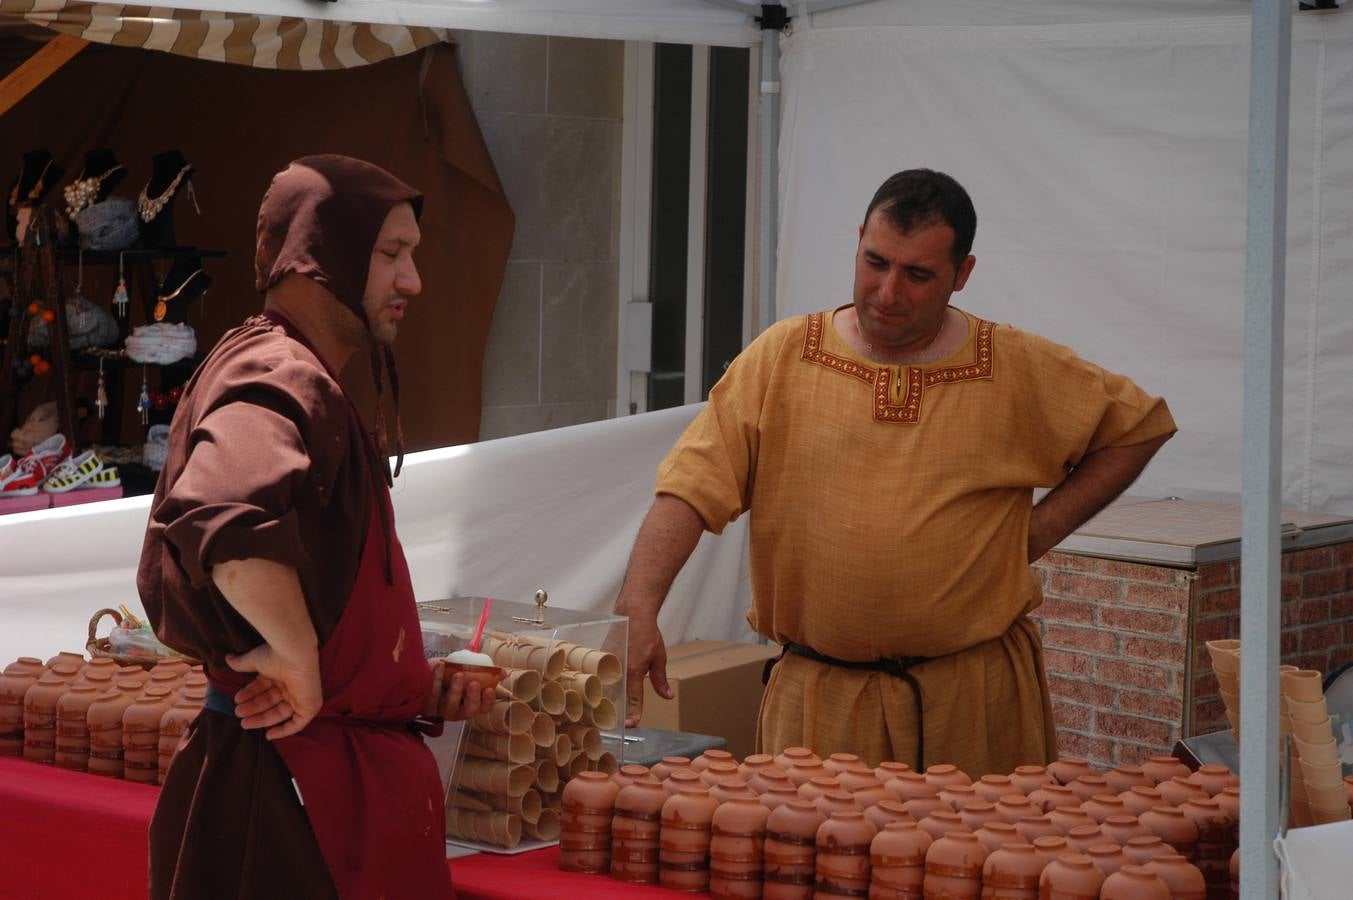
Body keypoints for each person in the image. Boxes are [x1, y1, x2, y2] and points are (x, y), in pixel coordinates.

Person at [615, 169, 1176, 776]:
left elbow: (1138, 426)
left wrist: (1029, 538)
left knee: (979, 868)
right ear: (858, 241)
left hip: (971, 704)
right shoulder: (783, 357)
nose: (887, 291)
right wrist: (637, 608)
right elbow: (691, 488)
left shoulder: (1012, 365)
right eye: (875, 262)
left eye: (917, 274)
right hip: (819, 707)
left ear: (962, 275)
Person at [137, 155, 492, 900]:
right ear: (319, 257)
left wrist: (409, 680)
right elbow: (222, 514)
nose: (412, 282)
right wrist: (295, 657)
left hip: (327, 784)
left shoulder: (299, 372)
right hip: (289, 793)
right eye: (391, 255)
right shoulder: (277, 367)